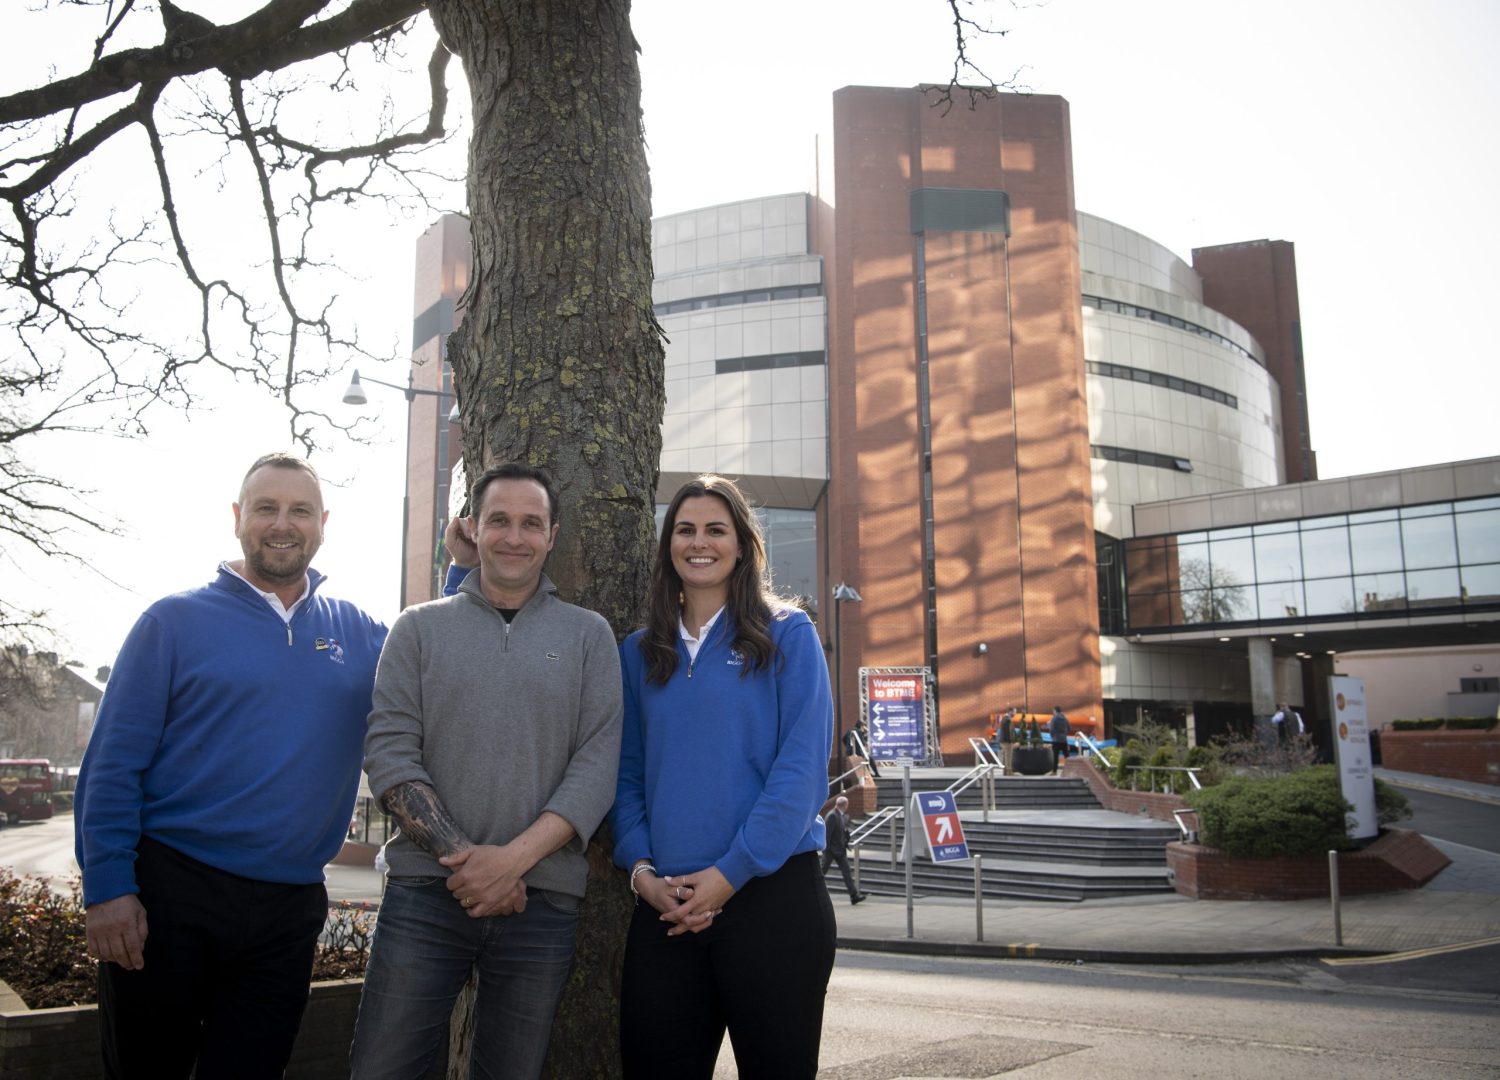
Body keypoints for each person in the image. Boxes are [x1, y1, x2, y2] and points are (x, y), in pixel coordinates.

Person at [74, 452, 389, 1079]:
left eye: (299, 510)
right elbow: (112, 764)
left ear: (322, 523)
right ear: (238, 518)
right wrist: (108, 888)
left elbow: (437, 649)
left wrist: (462, 569)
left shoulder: (358, 632)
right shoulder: (171, 621)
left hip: (289, 909)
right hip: (169, 895)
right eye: (267, 508)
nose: (283, 523)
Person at [348, 462, 622, 1079]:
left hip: (543, 901)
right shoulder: (416, 628)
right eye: (499, 520)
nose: (514, 537)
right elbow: (390, 755)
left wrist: (510, 863)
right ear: (472, 528)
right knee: (381, 1069)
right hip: (425, 892)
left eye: (532, 523)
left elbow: (597, 766)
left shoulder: (588, 637)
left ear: (553, 536)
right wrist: (470, 862)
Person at [609, 474, 836, 1079]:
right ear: (668, 546)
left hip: (771, 900)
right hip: (667, 907)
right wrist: (640, 872)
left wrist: (731, 873)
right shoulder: (638, 652)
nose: (699, 542)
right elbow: (626, 775)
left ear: (741, 545)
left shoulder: (787, 633)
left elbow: (801, 773)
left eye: (716, 529)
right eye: (685, 530)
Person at [819, 795, 867, 904]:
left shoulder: (840, 815)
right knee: (822, 872)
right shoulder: (832, 816)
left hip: (840, 850)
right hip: (831, 851)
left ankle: (854, 895)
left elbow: (840, 831)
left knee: (847, 873)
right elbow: (827, 835)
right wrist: (827, 849)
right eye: (847, 805)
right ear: (844, 805)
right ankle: (812, 890)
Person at [1049, 707, 1071, 772]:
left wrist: (1052, 736)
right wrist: (1064, 734)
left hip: (1056, 740)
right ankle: (1070, 769)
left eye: (1053, 711)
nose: (1053, 713)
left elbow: (1051, 729)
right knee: (1067, 755)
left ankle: (1054, 771)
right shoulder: (1065, 718)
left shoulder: (1054, 718)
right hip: (1064, 740)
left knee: (1055, 756)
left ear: (1055, 711)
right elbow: (1069, 728)